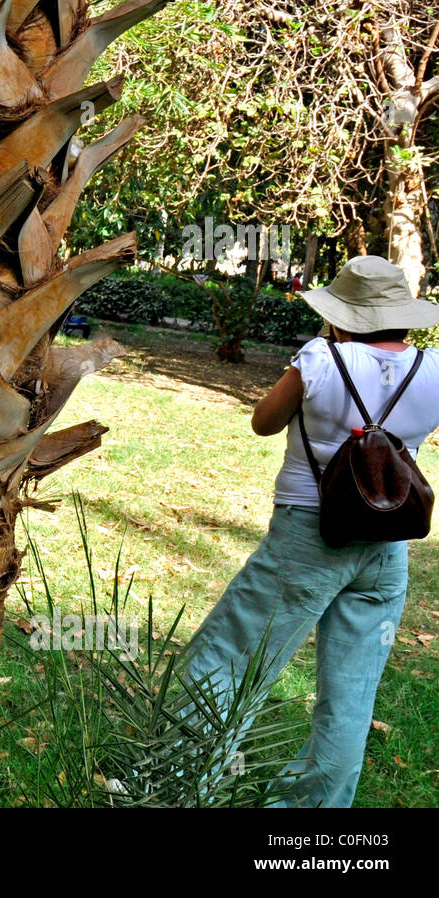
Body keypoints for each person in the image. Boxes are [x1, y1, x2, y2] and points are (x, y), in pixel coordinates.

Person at [180, 254, 439, 807]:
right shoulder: (434, 368)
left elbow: (263, 422)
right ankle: (313, 813)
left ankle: (176, 779)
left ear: (341, 316)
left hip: (309, 534)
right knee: (351, 689)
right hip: (387, 548)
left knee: (231, 654)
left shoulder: (321, 358)